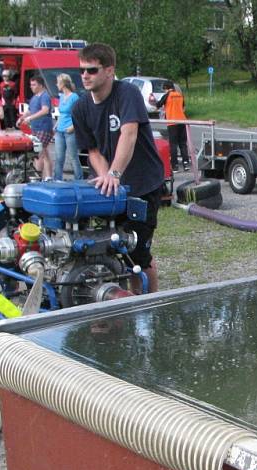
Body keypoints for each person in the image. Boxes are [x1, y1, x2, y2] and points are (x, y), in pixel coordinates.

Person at [72, 42, 165, 293]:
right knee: (105, 249)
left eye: (91, 70)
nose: (84, 76)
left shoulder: (127, 93)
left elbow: (130, 133)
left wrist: (115, 173)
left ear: (109, 70)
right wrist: (105, 178)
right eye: (81, 70)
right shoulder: (79, 107)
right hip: (109, 187)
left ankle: (147, 308)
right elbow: (92, 151)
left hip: (142, 184)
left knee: (137, 257)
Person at [17, 75, 54, 180]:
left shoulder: (44, 96)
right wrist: (22, 118)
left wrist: (30, 118)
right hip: (35, 128)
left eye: (34, 84)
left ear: (41, 85)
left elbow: (45, 110)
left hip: (44, 128)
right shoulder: (34, 97)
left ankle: (37, 177)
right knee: (45, 153)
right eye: (31, 85)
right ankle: (48, 177)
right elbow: (30, 110)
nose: (31, 87)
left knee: (38, 152)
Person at [53, 73, 83, 181]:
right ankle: (57, 179)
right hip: (60, 130)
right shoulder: (61, 97)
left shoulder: (74, 97)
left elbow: (79, 115)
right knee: (59, 158)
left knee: (73, 157)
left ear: (63, 83)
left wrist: (73, 127)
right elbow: (62, 113)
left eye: (58, 82)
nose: (56, 85)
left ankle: (79, 180)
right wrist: (56, 124)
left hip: (70, 131)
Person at [154, 81, 188, 172]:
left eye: (164, 89)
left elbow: (158, 105)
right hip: (182, 121)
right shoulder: (179, 95)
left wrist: (154, 101)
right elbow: (183, 107)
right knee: (183, 143)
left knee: (173, 145)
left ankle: (175, 166)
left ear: (166, 88)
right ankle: (186, 164)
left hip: (172, 122)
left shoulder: (167, 95)